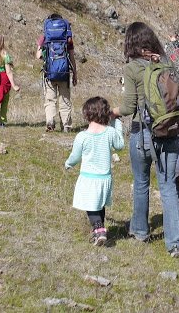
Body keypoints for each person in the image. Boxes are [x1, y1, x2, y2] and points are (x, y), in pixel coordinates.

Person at [111, 22, 179, 257]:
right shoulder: (166, 64)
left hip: (143, 132)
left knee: (141, 182)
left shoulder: (132, 68)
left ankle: (141, 231)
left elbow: (128, 107)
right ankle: (175, 243)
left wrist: (111, 111)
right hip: (170, 130)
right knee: (168, 186)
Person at [65, 96, 125, 246]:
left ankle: (99, 229)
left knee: (90, 205)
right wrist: (116, 122)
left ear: (87, 114)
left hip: (88, 177)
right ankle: (100, 230)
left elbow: (75, 156)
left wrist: (68, 164)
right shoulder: (110, 132)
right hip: (105, 177)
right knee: (99, 204)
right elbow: (120, 145)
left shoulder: (82, 136)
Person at [36, 13, 77, 132]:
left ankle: (50, 122)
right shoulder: (67, 39)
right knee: (65, 99)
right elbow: (72, 57)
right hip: (64, 73)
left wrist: (46, 56)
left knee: (50, 100)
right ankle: (66, 126)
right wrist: (75, 73)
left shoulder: (44, 37)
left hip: (49, 73)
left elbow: (38, 55)